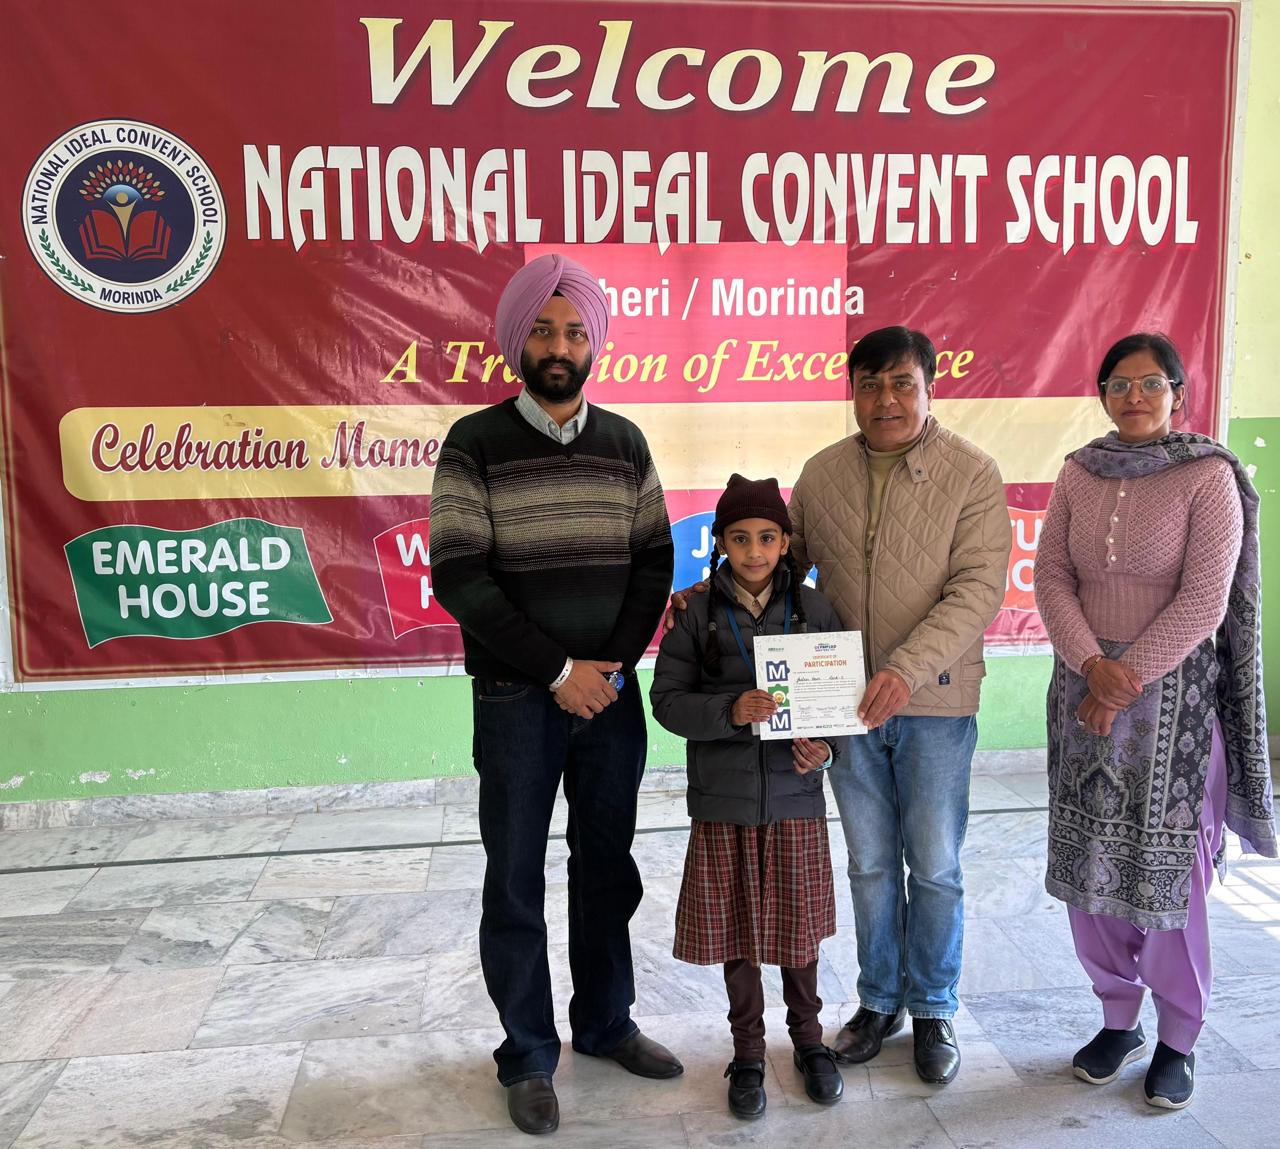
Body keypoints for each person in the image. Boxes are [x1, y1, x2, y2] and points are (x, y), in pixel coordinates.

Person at [670, 326, 1011, 1084]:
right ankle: (879, 999)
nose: (885, 399)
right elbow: (777, 563)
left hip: (934, 702)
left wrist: (906, 670)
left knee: (936, 865)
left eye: (902, 383)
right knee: (869, 863)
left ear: (929, 388)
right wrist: (705, 591)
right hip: (845, 707)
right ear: (852, 391)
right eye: (869, 384)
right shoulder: (822, 475)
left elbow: (978, 588)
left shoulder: (972, 473)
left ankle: (933, 1007)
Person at [429, 253, 681, 1136]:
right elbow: (460, 576)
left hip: (609, 696)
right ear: (517, 339)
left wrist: (606, 669)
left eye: (574, 331)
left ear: (594, 343)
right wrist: (557, 671)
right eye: (543, 329)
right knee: (515, 875)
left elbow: (655, 562)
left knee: (607, 866)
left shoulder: (626, 443)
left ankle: (606, 1024)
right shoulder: (474, 443)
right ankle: (528, 1053)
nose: (560, 346)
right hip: (517, 698)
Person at [1034, 332, 1276, 1110]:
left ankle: (1179, 1035)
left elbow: (1205, 599)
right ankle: (1118, 1017)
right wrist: (1089, 663)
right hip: (1080, 694)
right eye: (1119, 383)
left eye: (1150, 383)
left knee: (1171, 873)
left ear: (1179, 393)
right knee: (1089, 866)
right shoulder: (1079, 471)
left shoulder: (1208, 475)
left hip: (1174, 704)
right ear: (1102, 393)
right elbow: (1051, 576)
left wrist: (1121, 680)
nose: (1134, 396)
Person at [651, 474, 847, 1120]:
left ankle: (810, 1041)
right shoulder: (695, 612)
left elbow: (841, 704)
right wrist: (730, 710)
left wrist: (826, 749)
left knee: (798, 933)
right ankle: (748, 1052)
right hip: (723, 802)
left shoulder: (816, 611)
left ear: (786, 542)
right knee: (737, 932)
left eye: (767, 537)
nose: (754, 551)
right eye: (740, 538)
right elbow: (666, 702)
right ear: (720, 542)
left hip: (795, 799)